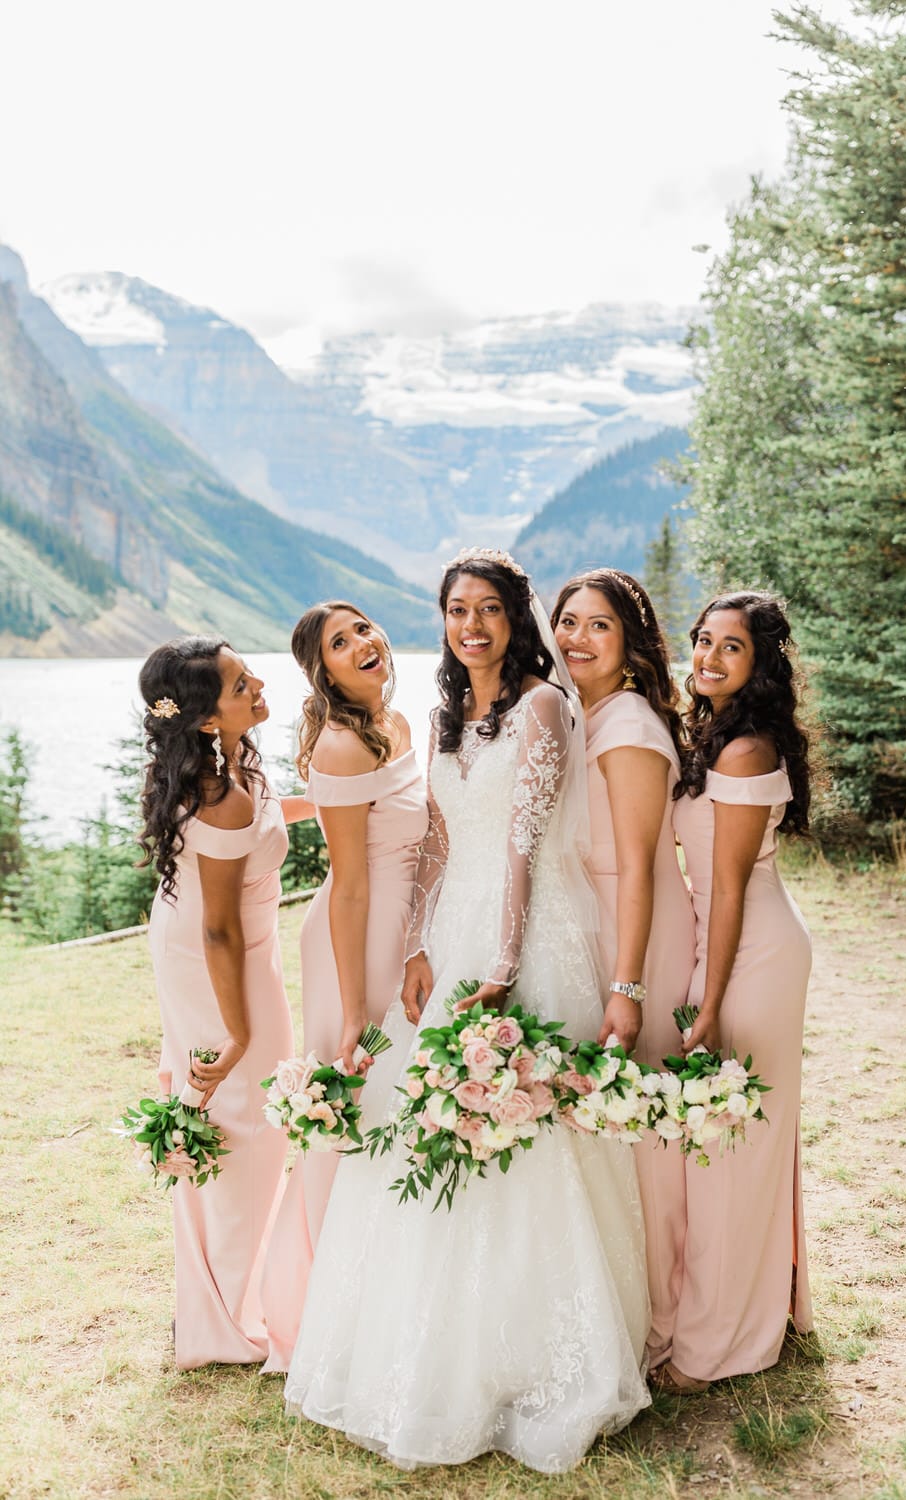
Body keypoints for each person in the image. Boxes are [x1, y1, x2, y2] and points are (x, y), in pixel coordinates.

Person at [285, 548, 650, 1472]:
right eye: (456, 609)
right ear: (442, 620)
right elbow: (441, 843)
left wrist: (500, 961)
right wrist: (416, 943)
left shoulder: (539, 705)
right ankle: (433, 1351)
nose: (472, 625)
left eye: (489, 609)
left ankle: (534, 1354)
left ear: (514, 617)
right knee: (435, 1125)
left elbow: (522, 849)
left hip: (525, 936)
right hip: (449, 932)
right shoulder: (447, 715)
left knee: (524, 1135)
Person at [260, 602, 427, 1371]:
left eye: (364, 627)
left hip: (403, 928)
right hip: (352, 943)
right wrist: (358, 1001)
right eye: (340, 641)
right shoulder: (338, 746)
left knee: (398, 1108)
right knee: (350, 1111)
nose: (363, 642)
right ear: (321, 671)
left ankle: (393, 1286)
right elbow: (351, 887)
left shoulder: (392, 721)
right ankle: (319, 1306)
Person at [138, 636, 312, 1370]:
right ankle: (225, 1315)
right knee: (244, 1121)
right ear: (208, 718)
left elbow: (267, 819)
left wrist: (351, 800)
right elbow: (218, 925)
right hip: (217, 958)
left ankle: (220, 1297)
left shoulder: (226, 767)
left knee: (233, 1119)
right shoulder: (222, 789)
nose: (259, 684)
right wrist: (237, 1032)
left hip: (221, 946)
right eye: (242, 683)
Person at [666, 590, 814, 1389]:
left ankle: (721, 1342)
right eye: (702, 641)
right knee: (731, 1143)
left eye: (730, 648)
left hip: (752, 952)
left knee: (730, 1148)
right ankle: (760, 1306)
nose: (708, 658)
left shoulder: (746, 751)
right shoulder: (713, 735)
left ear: (760, 666)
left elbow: (725, 890)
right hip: (731, 941)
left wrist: (711, 1003)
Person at [552, 568, 695, 1375]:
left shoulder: (630, 725)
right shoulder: (589, 716)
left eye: (597, 625)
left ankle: (666, 1319)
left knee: (645, 1128)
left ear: (631, 643)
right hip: (605, 925)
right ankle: (633, 1305)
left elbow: (639, 867)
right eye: (568, 622)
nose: (576, 637)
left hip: (639, 931)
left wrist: (628, 986)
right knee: (620, 1126)